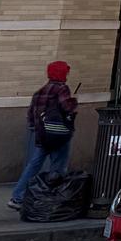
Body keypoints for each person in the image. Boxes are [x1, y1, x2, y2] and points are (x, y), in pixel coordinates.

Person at [9, 61, 75, 212]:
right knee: (58, 166)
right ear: (62, 73)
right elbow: (67, 107)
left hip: (42, 136)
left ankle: (17, 196)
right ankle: (54, 197)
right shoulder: (62, 89)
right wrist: (73, 104)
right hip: (58, 134)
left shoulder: (40, 91)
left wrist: (38, 129)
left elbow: (31, 117)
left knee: (33, 165)